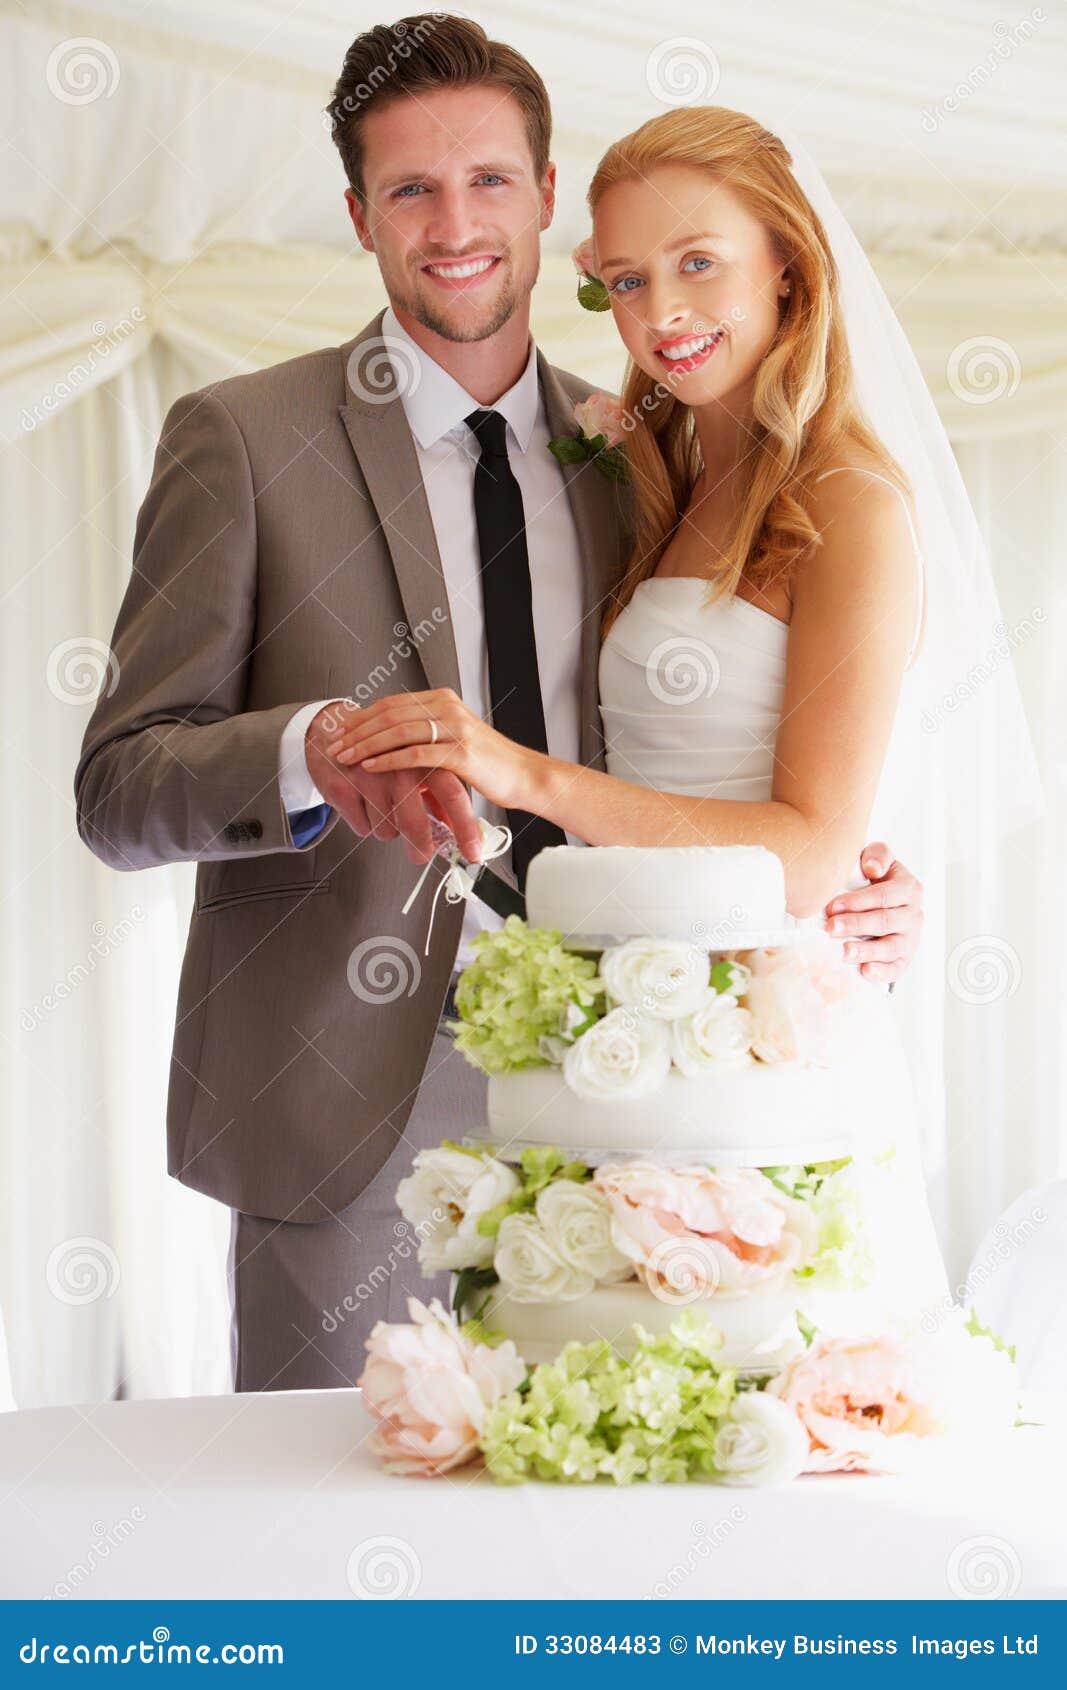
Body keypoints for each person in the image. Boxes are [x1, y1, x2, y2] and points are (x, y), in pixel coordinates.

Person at [73, 16, 926, 1392]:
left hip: (634, 1086)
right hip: (340, 1114)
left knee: (589, 1519)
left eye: (489, 182)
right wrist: (310, 750)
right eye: (410, 188)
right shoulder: (240, 438)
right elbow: (118, 792)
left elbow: (729, 732)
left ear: (545, 201)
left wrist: (846, 878)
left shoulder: (640, 451)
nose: (454, 222)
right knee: (327, 1517)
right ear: (358, 215)